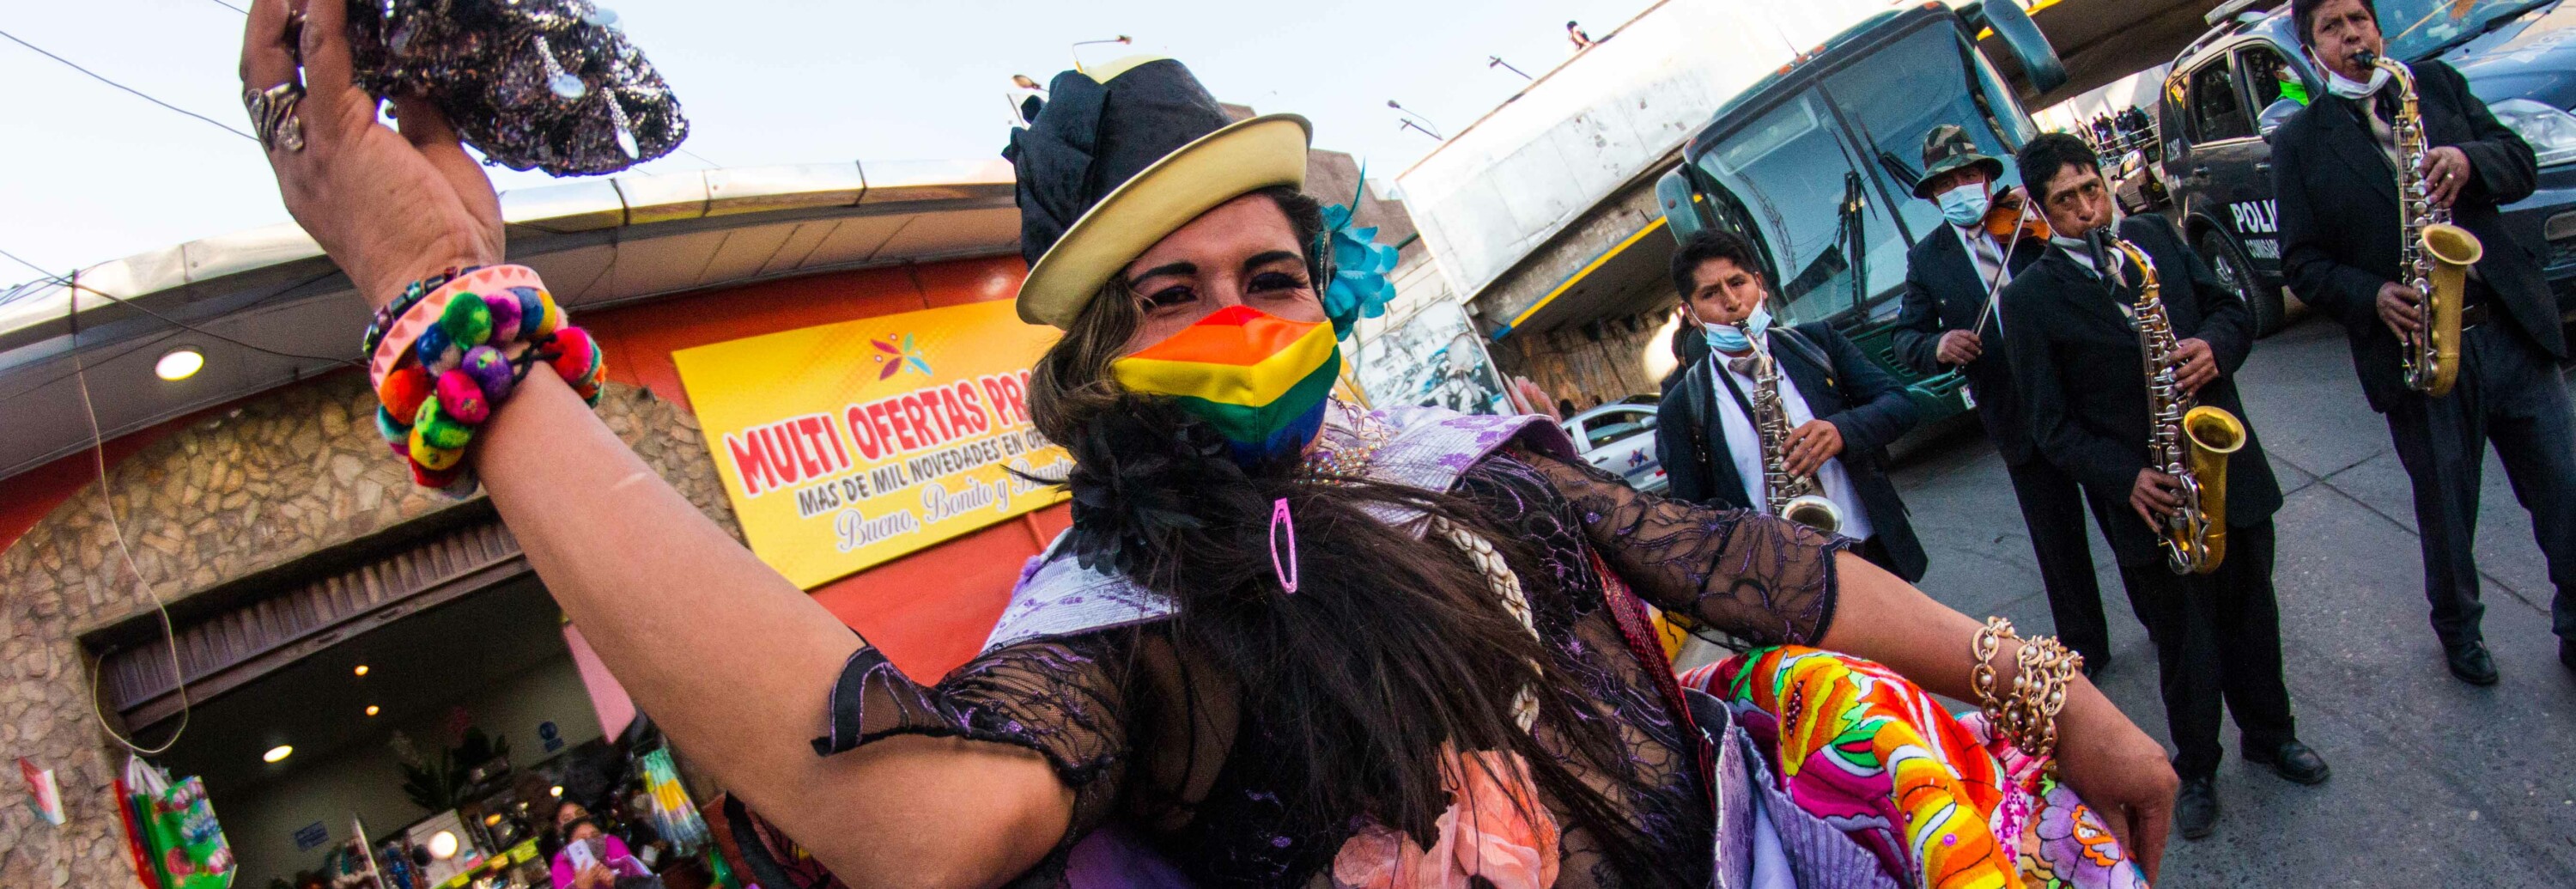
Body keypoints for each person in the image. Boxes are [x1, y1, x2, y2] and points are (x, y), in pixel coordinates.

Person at [239, 5, 2178, 884]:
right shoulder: (1116, 632)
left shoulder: (1462, 460)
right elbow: (906, 819)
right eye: (1169, 296)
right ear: (1094, 362)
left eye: (1268, 267)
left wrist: (2043, 682)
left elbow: (1735, 560)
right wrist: (458, 323)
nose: (1241, 313)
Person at [2001, 132, 2329, 841]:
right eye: (2067, 201)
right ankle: (2198, 767)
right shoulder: (2028, 300)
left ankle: (2271, 734)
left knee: (2253, 612)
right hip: (2150, 499)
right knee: (2185, 643)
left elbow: (2231, 308)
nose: (2090, 210)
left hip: (2225, 471)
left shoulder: (2149, 234)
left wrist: (2215, 344)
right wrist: (2128, 480)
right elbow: (2049, 427)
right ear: (2040, 211)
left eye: (2093, 189)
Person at [2273, 0, 2576, 682]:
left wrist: (2469, 161)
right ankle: (2459, 631)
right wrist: (2372, 295)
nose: (2352, 36)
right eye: (2333, 27)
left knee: (2564, 491)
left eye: (2359, 19)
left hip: (2510, 332)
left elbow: (2519, 162)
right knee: (2447, 514)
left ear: (2377, 26)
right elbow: (2302, 264)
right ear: (2310, 44)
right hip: (2420, 354)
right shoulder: (2298, 144)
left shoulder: (2432, 87)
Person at [1893, 125, 2113, 672]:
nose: (1963, 187)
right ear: (1935, 195)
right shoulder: (1928, 259)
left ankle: (2162, 619)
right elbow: (1906, 338)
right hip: (2017, 413)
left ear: (1990, 179)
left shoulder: (2032, 225)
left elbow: (2098, 264)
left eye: (1971, 175)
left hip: (2082, 396)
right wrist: (1938, 344)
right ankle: (2086, 651)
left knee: (2119, 513)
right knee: (2057, 542)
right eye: (1949, 183)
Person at [1655, 229, 1928, 582]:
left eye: (1737, 283)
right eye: (1710, 294)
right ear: (1691, 315)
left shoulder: (1817, 342)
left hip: (1873, 549)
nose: (1732, 302)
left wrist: (1841, 431)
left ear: (1760, 284)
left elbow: (1901, 404)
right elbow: (1691, 517)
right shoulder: (1680, 407)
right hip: (1788, 581)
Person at [550, 818, 654, 889]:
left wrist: (617, 882)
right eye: (582, 839)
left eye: (595, 835)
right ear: (570, 849)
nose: (591, 840)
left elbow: (654, 885)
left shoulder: (627, 864)